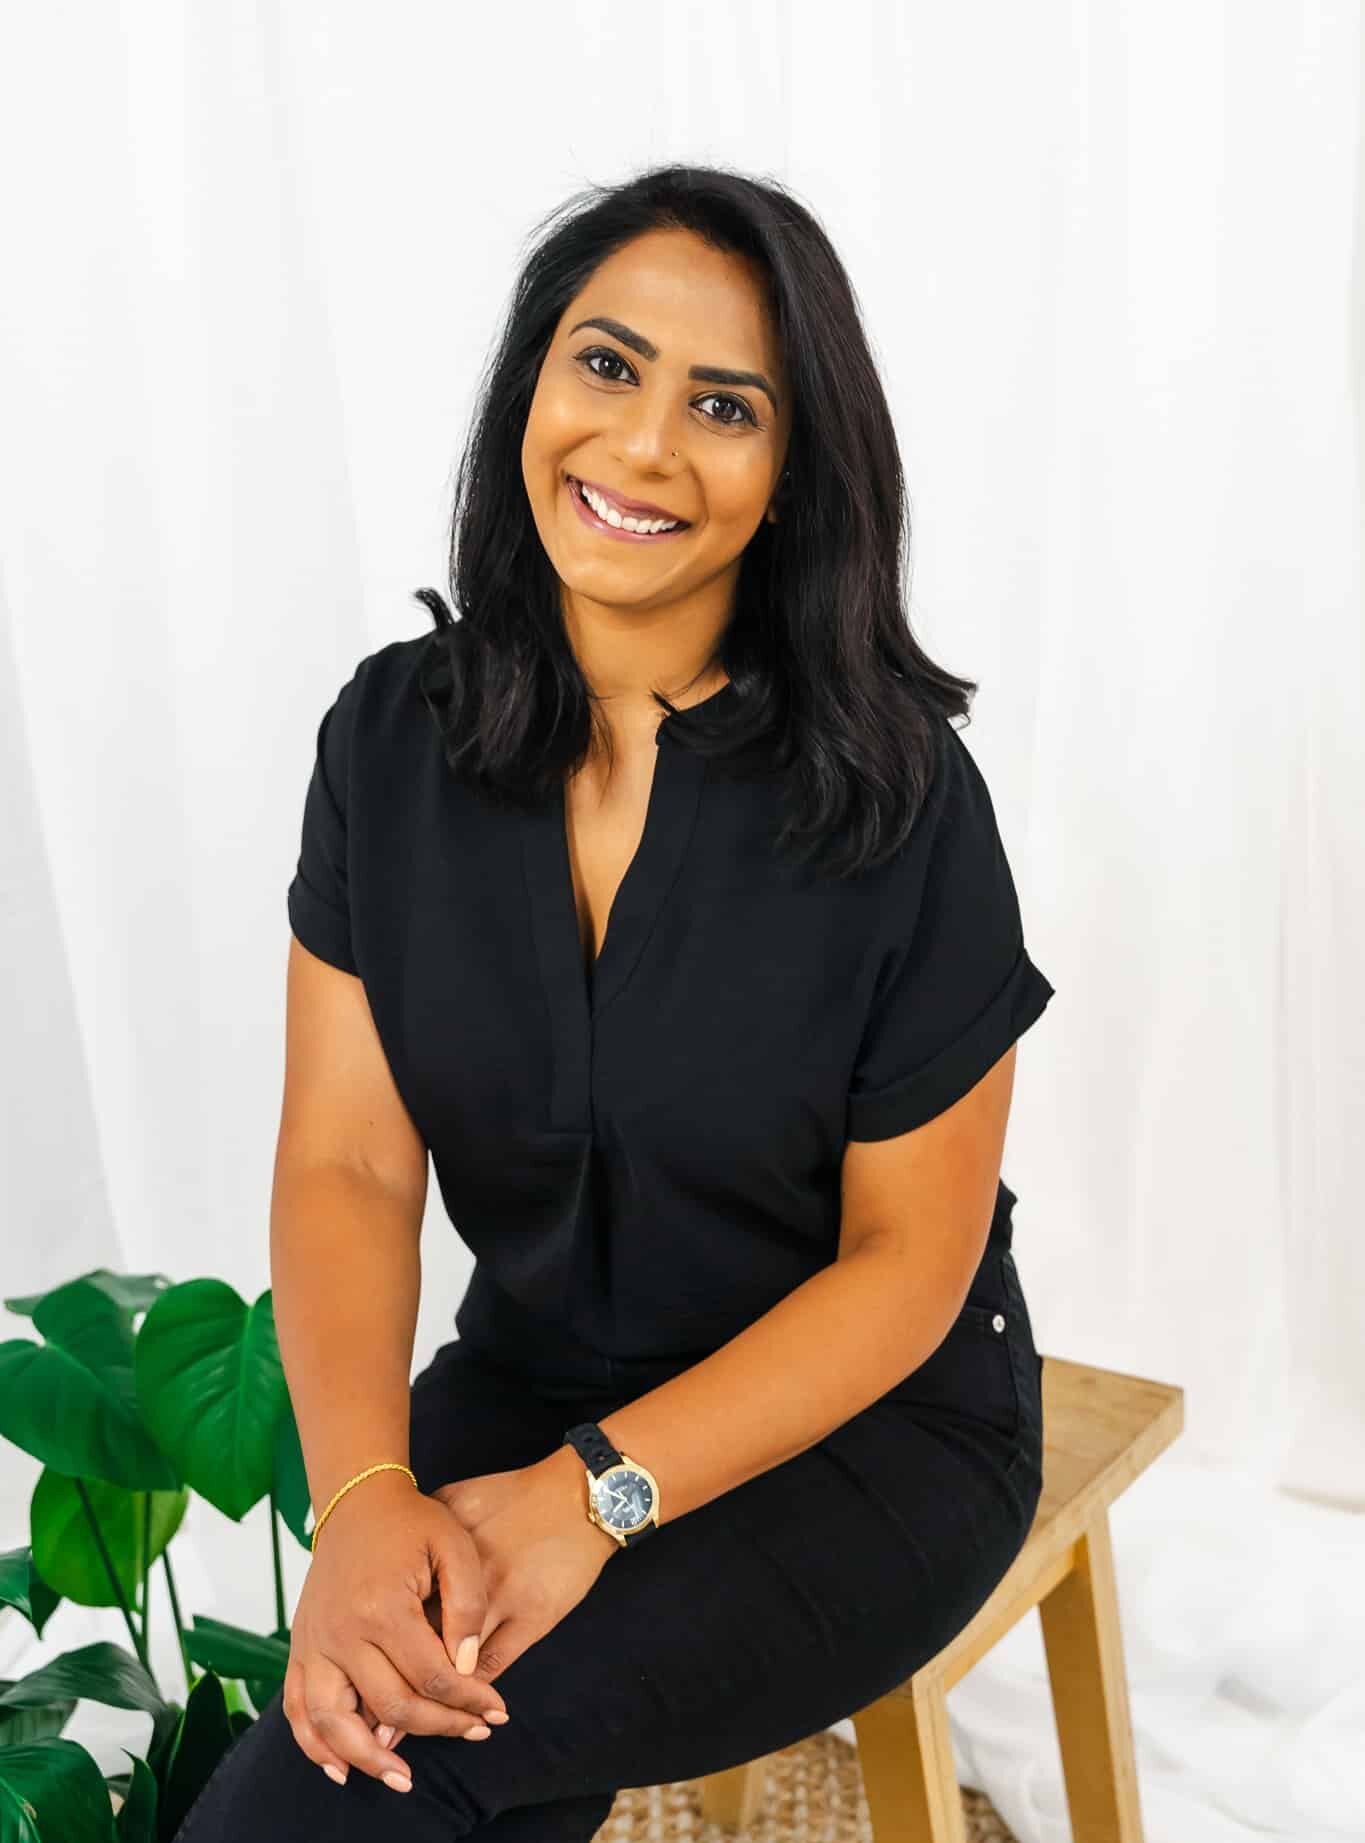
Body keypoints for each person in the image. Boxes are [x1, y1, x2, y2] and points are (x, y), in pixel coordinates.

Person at [172, 162, 1055, 1842]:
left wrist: (599, 1498)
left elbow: (905, 1266)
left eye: (722, 405)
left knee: (389, 1778)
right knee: (347, 1753)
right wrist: (362, 1496)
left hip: (859, 1437)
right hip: (527, 1384)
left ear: (793, 475)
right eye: (604, 366)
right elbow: (350, 1162)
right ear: (530, 393)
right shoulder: (388, 743)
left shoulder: (898, 802)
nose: (641, 446)